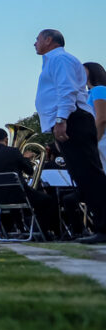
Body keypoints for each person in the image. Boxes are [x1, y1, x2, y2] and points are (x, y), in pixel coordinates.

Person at [34, 30, 106, 243]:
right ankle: (101, 226)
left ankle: (104, 227)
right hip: (71, 120)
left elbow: (66, 90)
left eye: (38, 39)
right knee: (83, 177)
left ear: (49, 40)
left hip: (74, 120)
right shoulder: (53, 61)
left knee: (90, 175)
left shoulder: (60, 58)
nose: (34, 43)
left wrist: (61, 120)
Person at [0, 127, 57, 238]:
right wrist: (26, 159)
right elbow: (29, 171)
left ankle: (12, 231)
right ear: (6, 139)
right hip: (19, 195)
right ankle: (43, 232)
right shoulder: (14, 152)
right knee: (47, 200)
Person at [84, 62, 106, 171]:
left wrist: (92, 144)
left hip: (101, 140)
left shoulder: (99, 89)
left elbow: (102, 118)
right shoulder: (88, 94)